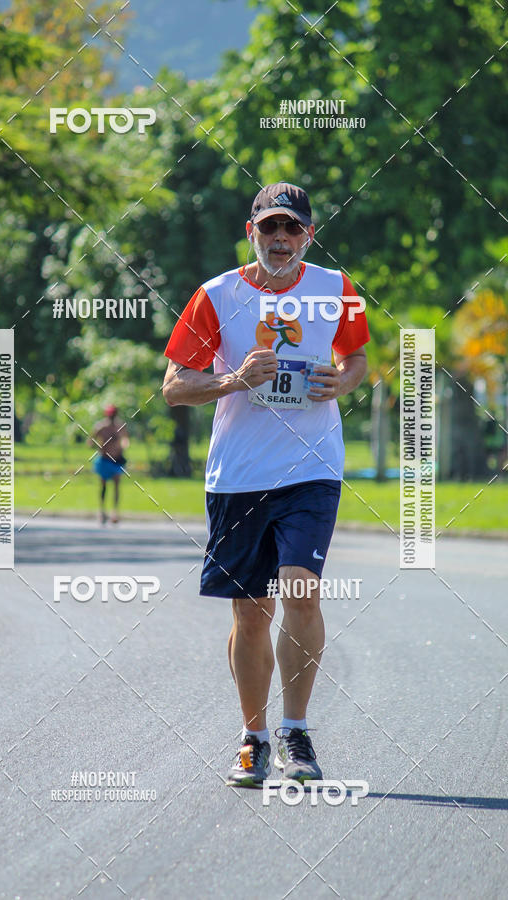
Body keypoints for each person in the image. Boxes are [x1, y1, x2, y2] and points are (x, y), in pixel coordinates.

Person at [162, 182, 369, 788]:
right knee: (252, 613)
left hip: (311, 468)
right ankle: (252, 738)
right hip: (239, 476)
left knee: (302, 594)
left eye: (293, 228)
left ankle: (295, 732)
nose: (281, 239)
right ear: (251, 230)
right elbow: (175, 385)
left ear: (309, 234)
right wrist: (232, 381)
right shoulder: (215, 295)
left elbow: (356, 358)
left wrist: (344, 382)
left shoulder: (337, 290)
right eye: (270, 227)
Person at [89, 404, 129, 524]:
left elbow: (125, 439)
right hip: (104, 459)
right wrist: (97, 445)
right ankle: (102, 511)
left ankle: (115, 512)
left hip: (117, 460)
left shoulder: (120, 426)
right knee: (103, 485)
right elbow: (90, 441)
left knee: (117, 484)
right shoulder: (100, 427)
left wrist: (123, 445)